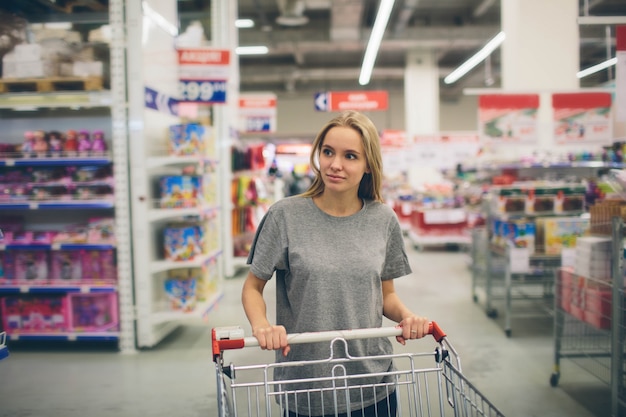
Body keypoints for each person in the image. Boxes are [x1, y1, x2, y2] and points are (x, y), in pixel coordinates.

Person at [241, 110, 429, 417]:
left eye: (350, 156)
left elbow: (386, 295)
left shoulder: (383, 219)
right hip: (307, 382)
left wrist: (408, 317)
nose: (335, 164)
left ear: (368, 165)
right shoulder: (284, 216)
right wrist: (262, 326)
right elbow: (252, 287)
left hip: (371, 384)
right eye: (328, 152)